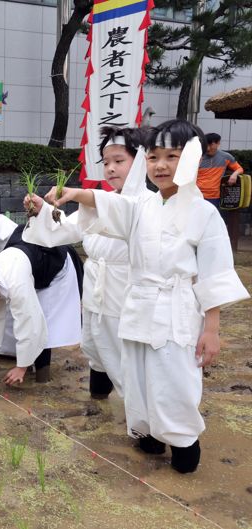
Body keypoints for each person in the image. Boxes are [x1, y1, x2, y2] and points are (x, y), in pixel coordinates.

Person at [50, 119, 250, 473]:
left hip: (176, 308)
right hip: (138, 304)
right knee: (138, 375)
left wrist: (212, 328)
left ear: (191, 158)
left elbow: (215, 272)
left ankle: (184, 441)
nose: (160, 165)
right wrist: (75, 194)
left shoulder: (204, 213)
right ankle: (148, 432)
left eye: (172, 156)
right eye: (154, 156)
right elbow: (113, 209)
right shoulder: (143, 206)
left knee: (173, 378)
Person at [22, 126, 151, 400]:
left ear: (139, 161)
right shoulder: (102, 202)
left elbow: (121, 212)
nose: (111, 168)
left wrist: (79, 194)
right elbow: (66, 230)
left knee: (124, 351)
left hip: (125, 290)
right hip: (96, 287)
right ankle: (99, 401)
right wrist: (43, 210)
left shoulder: (148, 203)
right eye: (105, 162)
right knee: (95, 345)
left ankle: (143, 421)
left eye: (119, 161)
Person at [0, 225, 82, 385]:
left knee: (44, 321)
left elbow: (30, 323)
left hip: (56, 265)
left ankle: (42, 376)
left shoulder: (15, 283)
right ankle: (35, 367)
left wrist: (21, 366)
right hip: (32, 259)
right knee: (28, 318)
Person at [196, 133, 244, 209]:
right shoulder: (197, 156)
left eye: (210, 145)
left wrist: (234, 175)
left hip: (214, 197)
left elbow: (239, 169)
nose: (208, 148)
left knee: (211, 219)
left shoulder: (226, 157)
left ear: (218, 143)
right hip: (196, 195)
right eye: (206, 145)